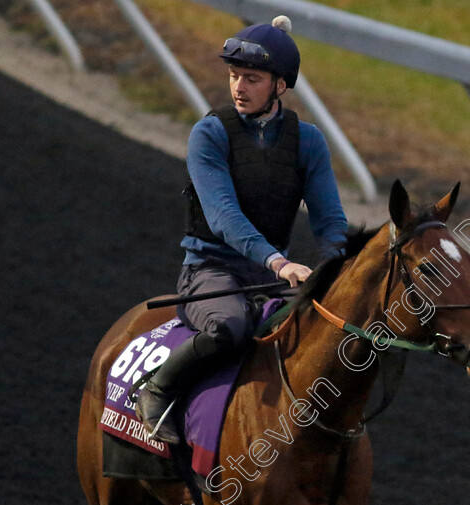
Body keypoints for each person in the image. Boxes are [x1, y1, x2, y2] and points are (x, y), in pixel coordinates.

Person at [135, 15, 348, 444]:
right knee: (229, 328)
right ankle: (156, 390)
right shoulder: (209, 133)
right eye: (234, 76)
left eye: (251, 78)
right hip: (210, 272)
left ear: (280, 86)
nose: (238, 88)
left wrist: (342, 267)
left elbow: (329, 221)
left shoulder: (309, 142)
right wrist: (279, 261)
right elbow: (224, 217)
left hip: (269, 279)